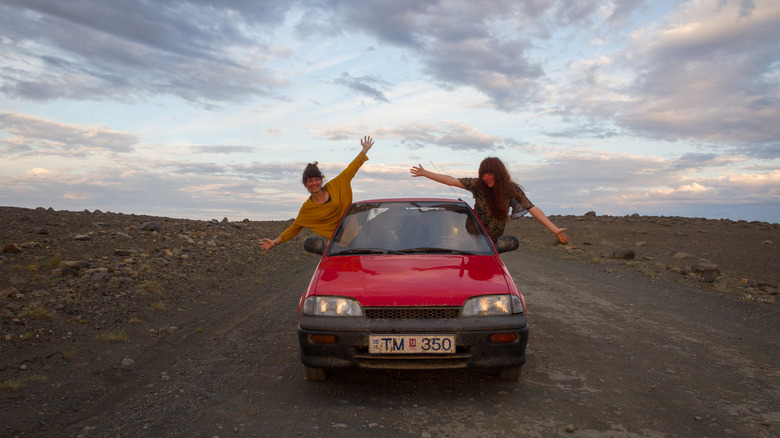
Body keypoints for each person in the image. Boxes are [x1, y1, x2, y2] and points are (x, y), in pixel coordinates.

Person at [410, 157, 568, 245]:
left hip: (492, 242)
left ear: (498, 173)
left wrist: (554, 229)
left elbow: (532, 208)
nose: (486, 178)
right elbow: (451, 180)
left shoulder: (511, 190)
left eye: (489, 173)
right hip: (471, 237)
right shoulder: (478, 185)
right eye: (483, 174)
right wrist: (425, 173)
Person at [259, 136, 374, 252]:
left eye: (316, 179)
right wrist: (274, 242)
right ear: (305, 184)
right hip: (340, 246)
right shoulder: (307, 209)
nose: (314, 183)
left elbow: (352, 168)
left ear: (321, 180)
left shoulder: (336, 185)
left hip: (362, 236)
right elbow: (294, 228)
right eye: (310, 181)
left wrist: (364, 150)